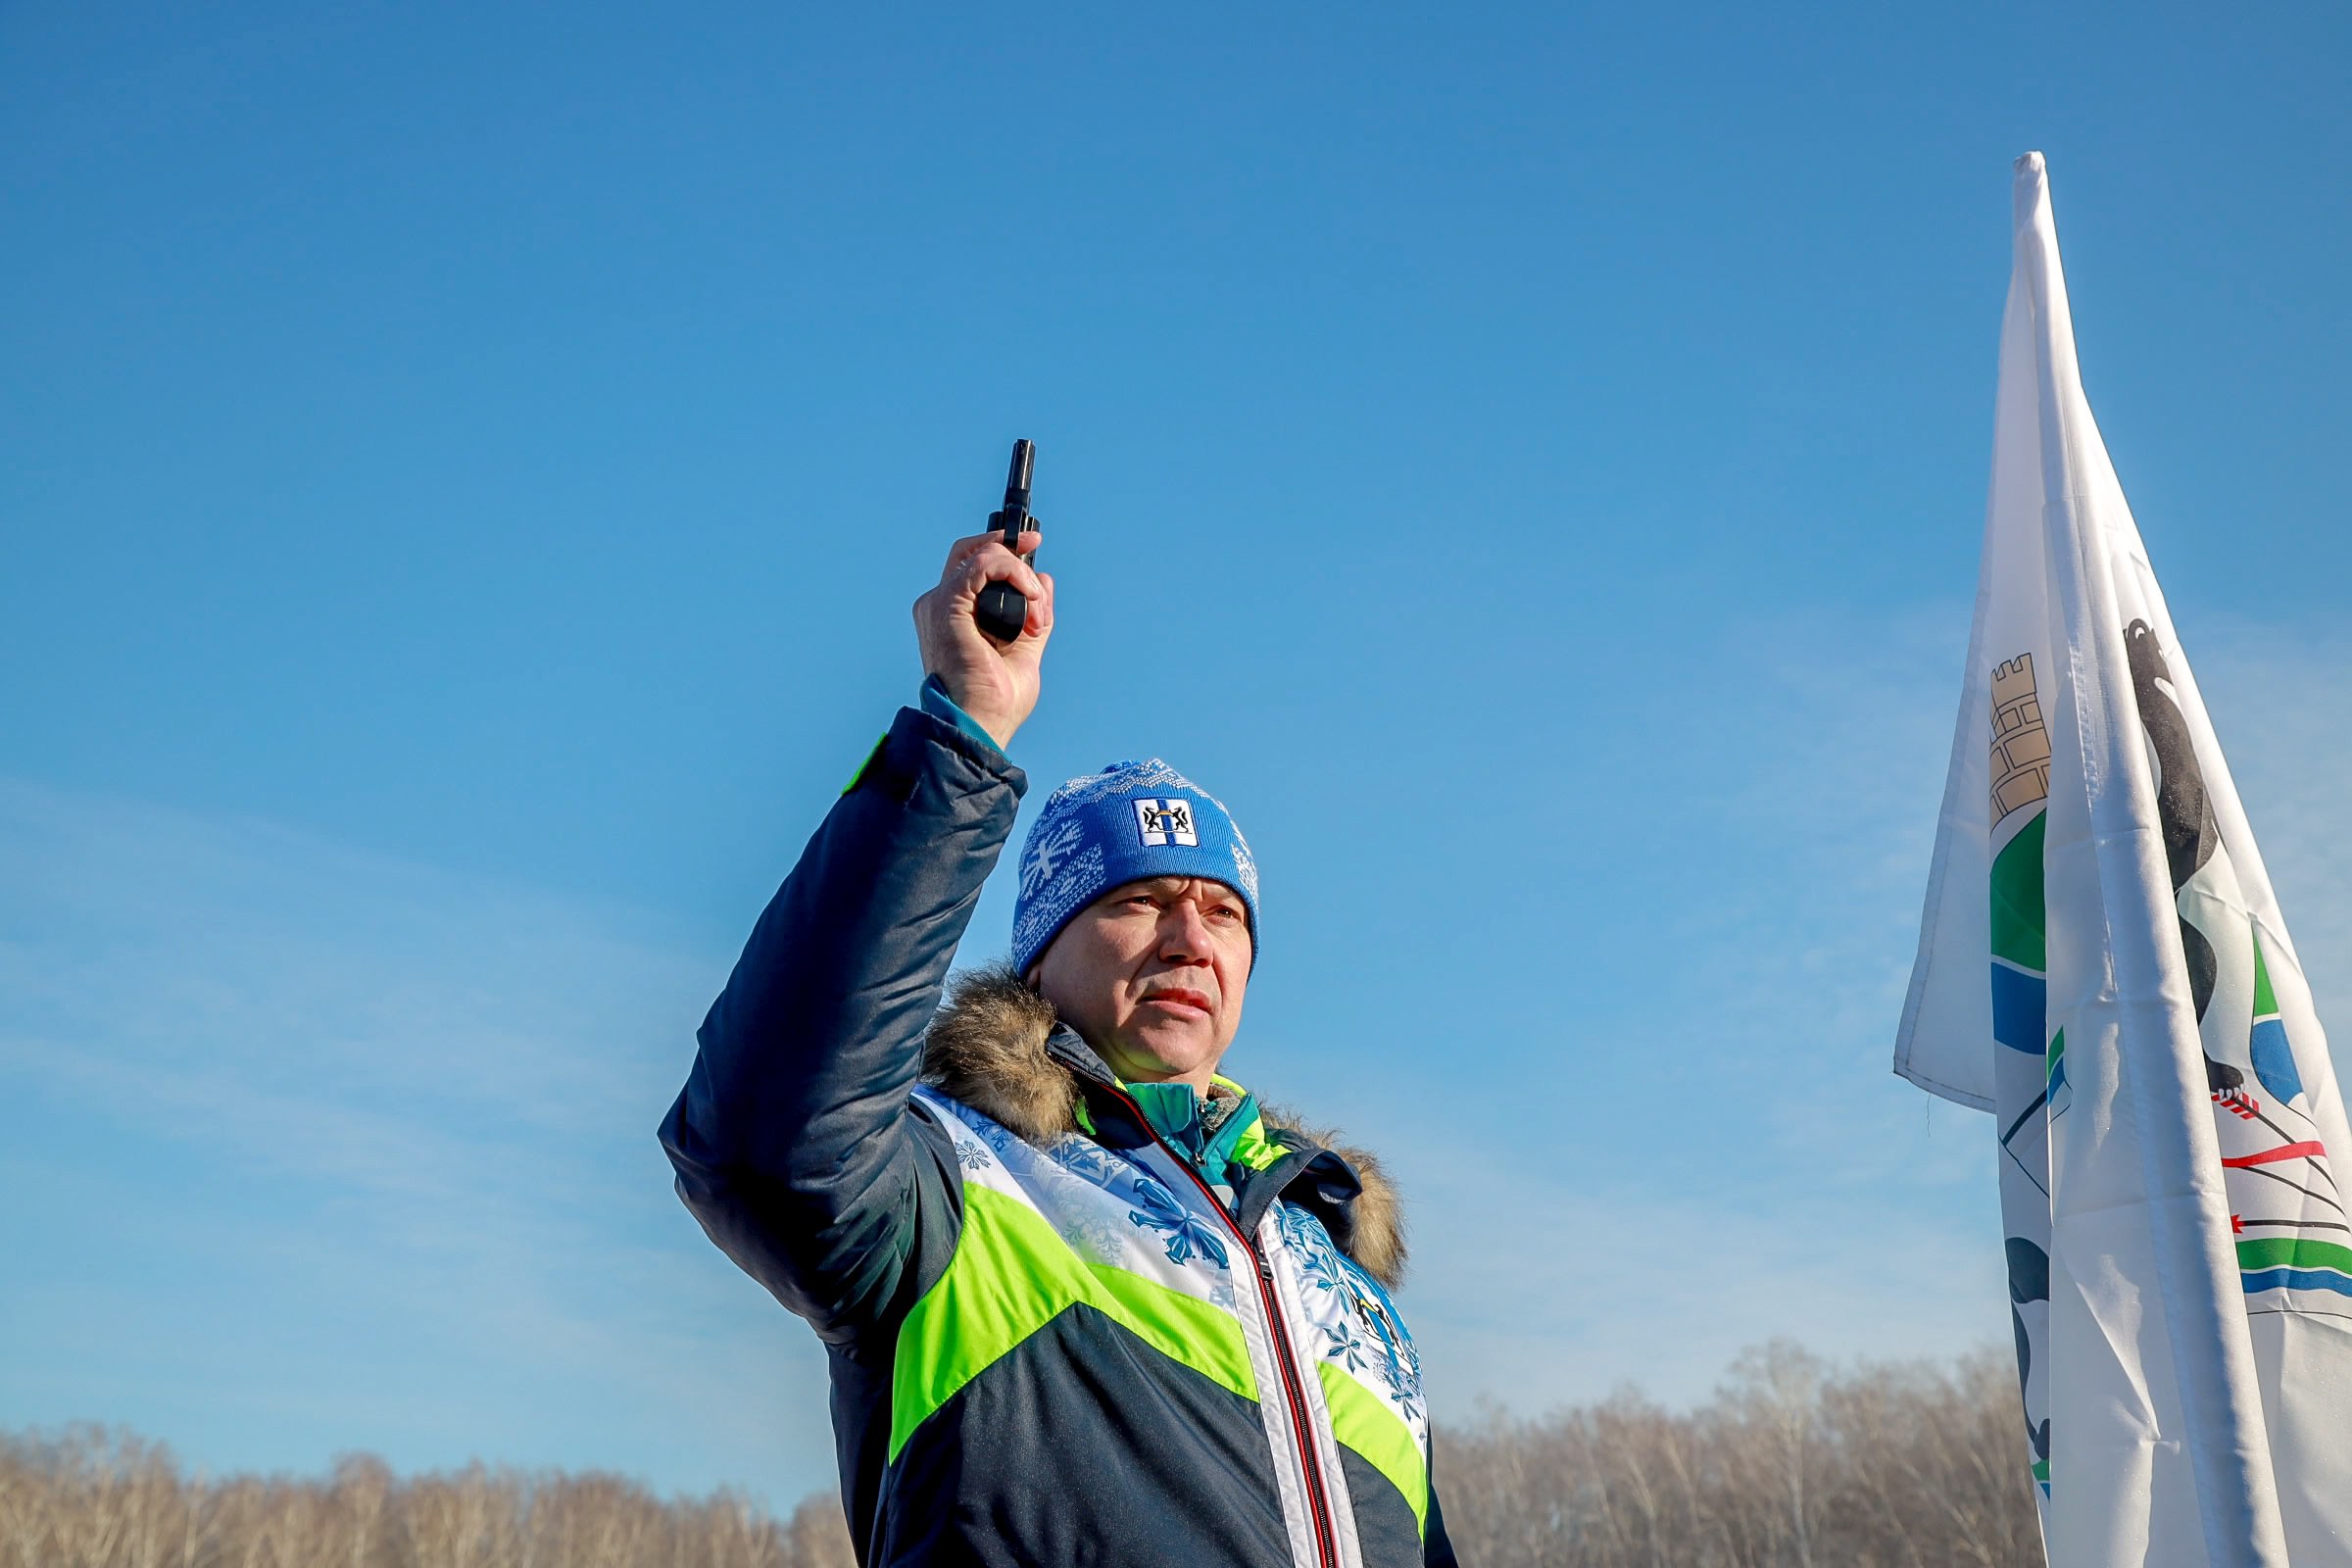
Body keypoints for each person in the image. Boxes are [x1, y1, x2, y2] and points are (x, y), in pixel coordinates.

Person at [660, 520, 1457, 1567]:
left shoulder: (1339, 1267)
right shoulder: (955, 1189)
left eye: (1223, 912)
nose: (1188, 936)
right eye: (1138, 900)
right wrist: (962, 735)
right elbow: (764, 1134)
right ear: (1039, 956)